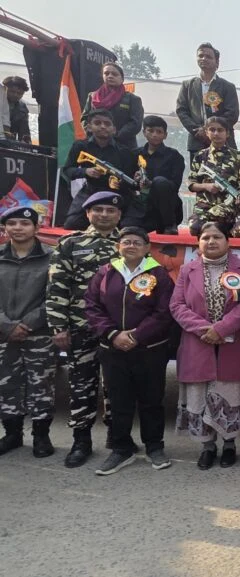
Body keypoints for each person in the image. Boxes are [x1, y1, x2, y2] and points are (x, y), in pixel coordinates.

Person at [84, 227, 173, 475]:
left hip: (149, 349)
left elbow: (164, 312)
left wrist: (136, 335)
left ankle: (154, 446)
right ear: (118, 247)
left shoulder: (159, 274)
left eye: (137, 242)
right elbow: (92, 306)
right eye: (126, 242)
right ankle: (121, 448)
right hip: (112, 348)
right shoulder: (105, 272)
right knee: (119, 401)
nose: (131, 246)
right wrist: (113, 334)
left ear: (147, 248)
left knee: (151, 400)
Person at [170, 222, 240, 470]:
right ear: (198, 243)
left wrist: (221, 329)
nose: (211, 241)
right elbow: (177, 305)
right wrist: (204, 330)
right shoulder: (187, 270)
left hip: (233, 343)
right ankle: (207, 447)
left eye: (217, 237)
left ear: (228, 241)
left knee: (230, 394)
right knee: (200, 395)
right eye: (205, 237)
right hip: (198, 343)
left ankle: (229, 445)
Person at [46, 191, 122, 468]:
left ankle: (117, 438)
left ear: (119, 215)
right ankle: (81, 441)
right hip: (80, 326)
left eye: (110, 210)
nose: (104, 214)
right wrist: (58, 326)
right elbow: (57, 287)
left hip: (117, 330)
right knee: (82, 385)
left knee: (117, 384)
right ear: (88, 213)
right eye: (98, 209)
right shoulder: (71, 244)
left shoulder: (129, 243)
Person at [0, 206, 55, 458]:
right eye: (12, 224)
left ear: (37, 227)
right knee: (6, 384)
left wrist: (28, 323)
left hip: (39, 333)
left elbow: (54, 296)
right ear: (5, 228)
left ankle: (41, 436)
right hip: (3, 333)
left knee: (41, 385)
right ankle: (12, 434)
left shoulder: (52, 257)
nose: (18, 228)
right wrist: (6, 325)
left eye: (24, 224)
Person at [62, 109, 137, 231]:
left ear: (114, 129)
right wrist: (86, 172)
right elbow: (67, 170)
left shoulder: (124, 151)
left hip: (117, 193)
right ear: (89, 127)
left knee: (127, 227)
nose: (103, 126)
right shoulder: (81, 146)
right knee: (72, 224)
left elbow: (131, 180)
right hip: (91, 190)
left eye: (107, 124)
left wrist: (120, 183)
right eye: (97, 123)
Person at [176, 43, 240, 159]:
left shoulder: (228, 86)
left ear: (217, 62)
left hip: (224, 141)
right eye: (201, 56)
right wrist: (198, 131)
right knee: (199, 171)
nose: (204, 59)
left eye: (208, 56)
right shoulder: (187, 85)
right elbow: (181, 111)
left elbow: (232, 113)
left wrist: (213, 130)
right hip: (197, 141)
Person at [186, 116, 240, 236]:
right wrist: (206, 186)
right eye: (212, 130)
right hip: (204, 204)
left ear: (227, 133)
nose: (216, 133)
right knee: (194, 228)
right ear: (206, 132)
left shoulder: (238, 156)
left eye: (220, 130)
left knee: (215, 218)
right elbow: (191, 183)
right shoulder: (200, 156)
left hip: (228, 205)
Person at [134, 115, 185, 234]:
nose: (154, 135)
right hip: (142, 203)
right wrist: (135, 180)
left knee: (160, 181)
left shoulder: (174, 156)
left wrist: (152, 184)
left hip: (167, 206)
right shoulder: (135, 154)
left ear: (165, 135)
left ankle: (169, 225)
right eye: (151, 131)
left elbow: (175, 186)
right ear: (144, 132)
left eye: (159, 132)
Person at [81, 62, 144, 148]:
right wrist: (95, 134)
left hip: (123, 146)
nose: (110, 76)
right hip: (96, 145)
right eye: (106, 73)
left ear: (122, 79)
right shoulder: (92, 96)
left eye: (114, 74)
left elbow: (135, 124)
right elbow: (84, 119)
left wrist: (113, 136)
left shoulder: (132, 99)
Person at [3, 76, 31, 143]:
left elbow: (24, 133)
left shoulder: (22, 108)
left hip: (9, 143)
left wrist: (27, 144)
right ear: (3, 89)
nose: (15, 95)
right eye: (12, 91)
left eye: (19, 93)